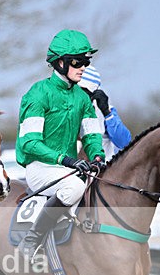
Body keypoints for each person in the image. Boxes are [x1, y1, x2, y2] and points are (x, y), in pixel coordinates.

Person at [15, 29, 105, 261]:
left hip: (70, 168)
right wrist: (65, 159)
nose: (83, 67)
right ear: (60, 63)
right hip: (40, 168)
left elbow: (92, 135)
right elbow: (30, 143)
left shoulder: (83, 98)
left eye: (86, 62)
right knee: (74, 188)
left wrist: (97, 156)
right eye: (77, 62)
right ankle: (32, 240)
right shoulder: (38, 94)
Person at [77, 65, 131, 159]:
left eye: (83, 91)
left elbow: (124, 143)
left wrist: (107, 113)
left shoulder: (105, 111)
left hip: (101, 170)